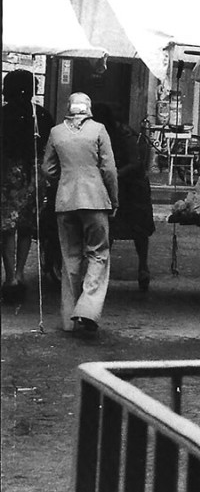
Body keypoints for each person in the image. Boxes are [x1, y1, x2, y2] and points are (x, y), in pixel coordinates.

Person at [41, 93, 119, 336]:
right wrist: (114, 199)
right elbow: (109, 169)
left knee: (70, 257)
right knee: (98, 254)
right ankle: (87, 309)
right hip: (95, 200)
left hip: (65, 201)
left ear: (68, 109)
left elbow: (47, 169)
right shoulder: (98, 130)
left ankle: (69, 319)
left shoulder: (56, 133)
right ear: (89, 109)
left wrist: (64, 180)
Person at [1, 69, 55, 303]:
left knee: (6, 226)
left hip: (8, 174)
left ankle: (10, 275)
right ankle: (21, 272)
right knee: (26, 226)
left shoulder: (3, 114)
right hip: (34, 174)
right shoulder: (41, 115)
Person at [93, 104, 155, 292]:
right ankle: (103, 269)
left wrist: (115, 174)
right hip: (115, 185)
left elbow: (135, 163)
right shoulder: (99, 133)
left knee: (138, 230)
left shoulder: (125, 134)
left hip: (132, 187)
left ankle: (143, 267)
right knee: (109, 228)